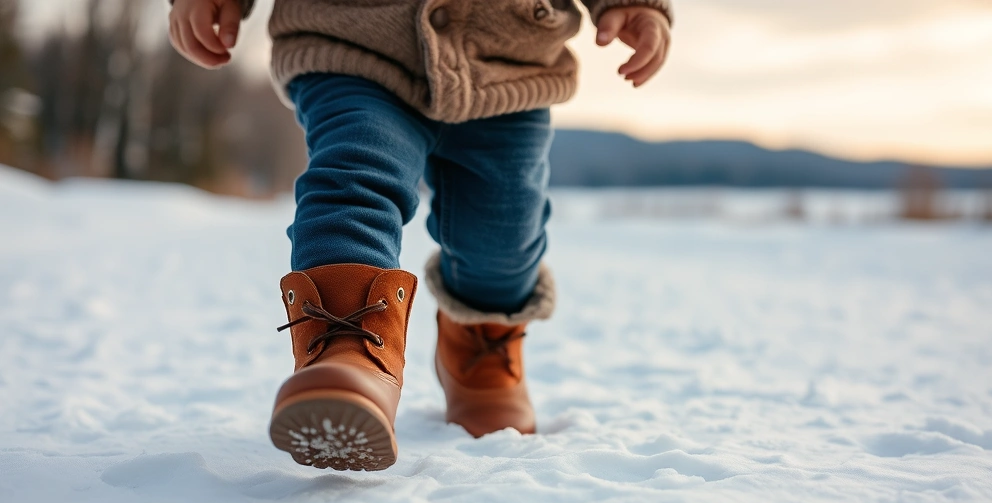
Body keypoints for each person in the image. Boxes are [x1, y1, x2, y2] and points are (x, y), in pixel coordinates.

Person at [167, 0, 672, 471]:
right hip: (355, 41)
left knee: (505, 230)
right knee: (356, 176)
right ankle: (347, 345)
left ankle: (478, 351)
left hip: (511, 59)